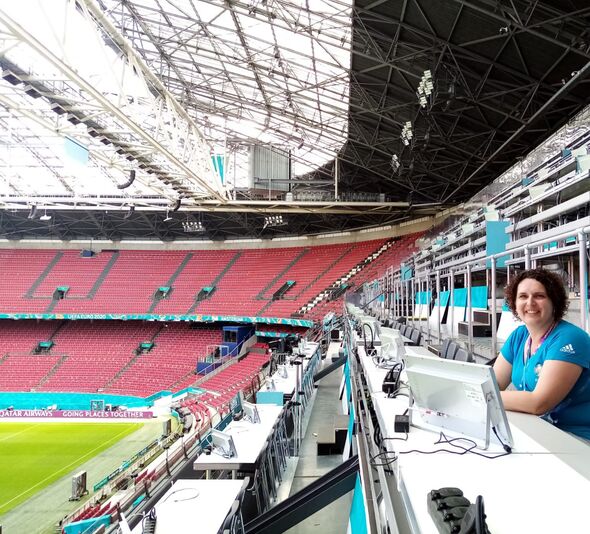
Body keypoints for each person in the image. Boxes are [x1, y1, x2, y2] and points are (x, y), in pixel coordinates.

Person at [494, 268, 590, 440]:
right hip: (539, 429)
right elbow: (493, 382)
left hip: (576, 437)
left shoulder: (569, 338)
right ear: (514, 303)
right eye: (523, 296)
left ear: (554, 302)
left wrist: (485, 396)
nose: (530, 303)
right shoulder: (519, 336)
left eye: (539, 296)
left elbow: (540, 403)